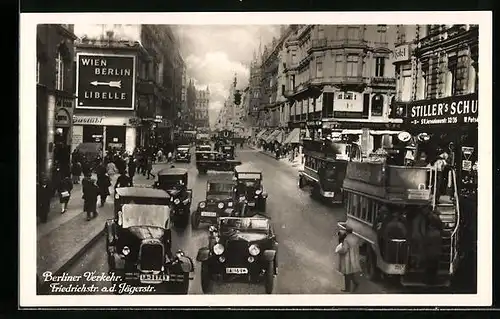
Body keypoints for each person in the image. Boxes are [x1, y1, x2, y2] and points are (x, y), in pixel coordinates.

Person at [335, 227, 361, 292]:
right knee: (351, 273)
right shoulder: (355, 238)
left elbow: (344, 249)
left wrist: (338, 250)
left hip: (347, 259)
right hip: (353, 257)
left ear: (346, 232)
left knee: (346, 274)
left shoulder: (346, 240)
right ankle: (356, 283)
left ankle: (348, 288)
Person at [423, 210, 443, 285]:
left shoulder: (428, 234)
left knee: (428, 267)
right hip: (436, 252)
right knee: (434, 267)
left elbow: (425, 243)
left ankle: (427, 280)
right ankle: (432, 280)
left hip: (429, 252)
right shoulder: (437, 234)